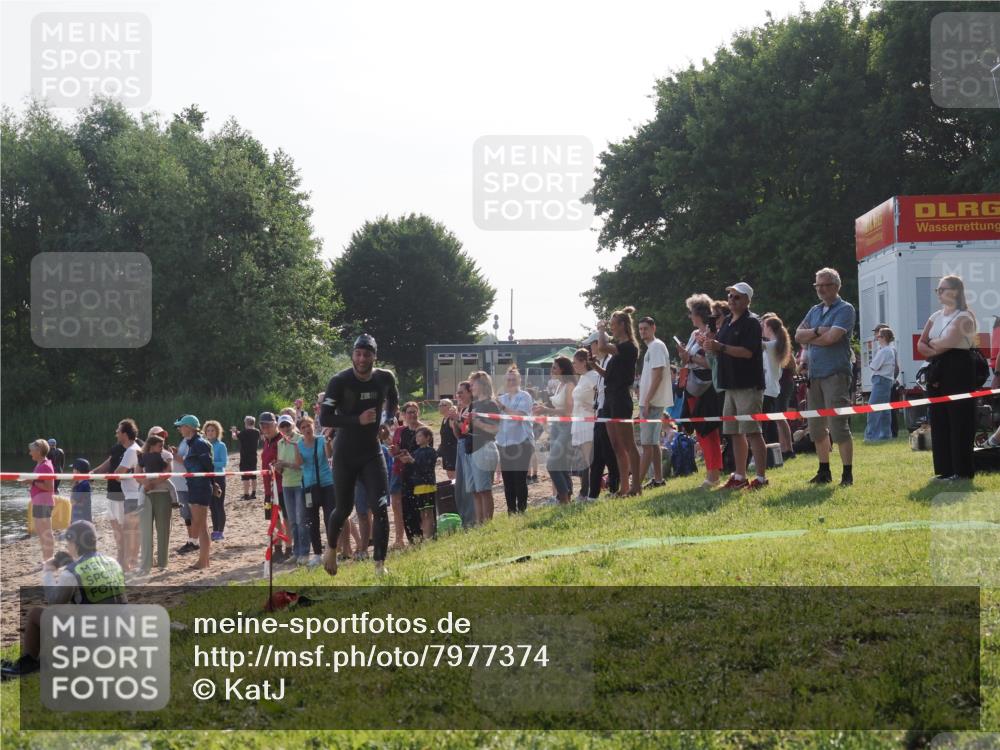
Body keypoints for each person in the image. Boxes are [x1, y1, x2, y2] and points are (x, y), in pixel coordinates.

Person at [1, 520, 125, 680]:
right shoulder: (113, 562)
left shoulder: (72, 573)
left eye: (68, 542)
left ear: (74, 543)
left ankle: (29, 662)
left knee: (35, 614)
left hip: (94, 640)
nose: (67, 546)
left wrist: (48, 571)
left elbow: (53, 600)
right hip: (119, 633)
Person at [318, 333, 398, 577]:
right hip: (345, 453)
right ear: (353, 354)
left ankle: (379, 565)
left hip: (372, 452)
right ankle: (331, 549)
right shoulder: (339, 381)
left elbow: (393, 400)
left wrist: (388, 421)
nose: (362, 359)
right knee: (343, 509)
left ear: (374, 356)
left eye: (367, 354)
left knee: (381, 507)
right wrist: (356, 419)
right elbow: (325, 418)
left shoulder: (385, 378)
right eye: (358, 354)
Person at [701, 282, 769, 491]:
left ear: (747, 300)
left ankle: (760, 478)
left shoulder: (752, 322)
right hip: (729, 385)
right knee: (734, 432)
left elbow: (748, 352)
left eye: (737, 297)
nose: (732, 300)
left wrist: (720, 346)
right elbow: (719, 349)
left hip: (748, 385)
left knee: (752, 432)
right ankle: (740, 476)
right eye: (730, 296)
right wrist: (710, 344)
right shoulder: (728, 321)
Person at [795, 267, 857, 487]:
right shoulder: (814, 310)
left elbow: (832, 338)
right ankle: (824, 471)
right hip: (815, 375)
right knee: (816, 427)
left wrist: (813, 336)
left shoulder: (846, 309)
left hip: (835, 375)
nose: (820, 289)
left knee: (839, 426)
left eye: (825, 285)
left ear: (836, 286)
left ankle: (847, 474)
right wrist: (819, 332)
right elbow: (797, 334)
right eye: (817, 285)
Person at [917, 274, 979, 480]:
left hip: (958, 368)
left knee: (959, 419)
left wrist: (934, 344)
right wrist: (936, 345)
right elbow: (921, 344)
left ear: (955, 292)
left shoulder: (964, 316)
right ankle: (945, 470)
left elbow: (948, 341)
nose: (939, 293)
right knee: (940, 418)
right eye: (938, 289)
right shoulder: (935, 316)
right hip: (938, 367)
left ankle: (962, 471)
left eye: (942, 289)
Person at [592, 307, 642, 496]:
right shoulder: (617, 352)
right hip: (610, 399)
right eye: (609, 325)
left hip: (621, 399)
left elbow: (603, 347)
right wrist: (595, 366)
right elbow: (608, 376)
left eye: (613, 325)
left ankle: (636, 486)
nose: (611, 328)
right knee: (616, 445)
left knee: (628, 444)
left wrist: (601, 329)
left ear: (622, 325)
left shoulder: (628, 347)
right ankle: (624, 487)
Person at [678, 294, 725, 489]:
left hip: (706, 388)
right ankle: (710, 472)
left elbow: (711, 363)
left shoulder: (712, 334)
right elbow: (687, 360)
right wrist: (684, 356)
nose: (689, 316)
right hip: (691, 387)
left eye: (691, 313)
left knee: (708, 431)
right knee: (700, 432)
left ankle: (713, 475)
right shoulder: (693, 334)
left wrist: (691, 358)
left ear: (699, 313)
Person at [636, 316, 673, 489]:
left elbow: (657, 375)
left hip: (652, 402)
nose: (642, 331)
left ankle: (635, 486)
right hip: (651, 402)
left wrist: (647, 400)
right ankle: (658, 479)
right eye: (640, 329)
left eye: (645, 328)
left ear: (653, 328)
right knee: (653, 443)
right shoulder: (652, 347)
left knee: (647, 445)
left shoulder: (657, 346)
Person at [533, 358, 576, 504]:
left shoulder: (569, 385)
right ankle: (566, 495)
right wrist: (541, 407)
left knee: (552, 463)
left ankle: (563, 496)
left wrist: (546, 409)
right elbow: (555, 405)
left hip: (567, 427)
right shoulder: (559, 385)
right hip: (557, 426)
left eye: (554, 368)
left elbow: (569, 411)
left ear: (563, 370)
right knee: (560, 463)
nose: (552, 371)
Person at [174, 415, 214, 569]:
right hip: (194, 486)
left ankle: (203, 561)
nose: (179, 429)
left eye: (181, 426)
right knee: (200, 524)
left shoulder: (199, 443)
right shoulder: (192, 443)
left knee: (202, 525)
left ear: (189, 427)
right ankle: (204, 560)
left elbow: (209, 466)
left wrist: (213, 484)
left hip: (200, 486)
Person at [296, 415, 335, 567]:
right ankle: (317, 554)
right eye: (303, 427)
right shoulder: (298, 444)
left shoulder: (321, 440)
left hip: (326, 483)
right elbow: (299, 464)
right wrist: (295, 450)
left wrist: (327, 443)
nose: (306, 429)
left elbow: (329, 455)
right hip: (309, 486)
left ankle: (331, 552)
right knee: (312, 522)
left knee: (329, 519)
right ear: (300, 430)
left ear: (313, 425)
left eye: (308, 425)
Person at [585, 334, 620, 499]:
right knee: (598, 456)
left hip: (607, 412)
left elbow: (610, 378)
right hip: (600, 412)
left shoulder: (610, 360)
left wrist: (595, 367)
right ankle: (593, 494)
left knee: (608, 454)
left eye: (591, 345)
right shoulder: (602, 362)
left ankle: (614, 489)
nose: (589, 350)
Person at [496, 366, 535, 514]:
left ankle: (522, 510)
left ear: (519, 380)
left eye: (514, 379)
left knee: (519, 480)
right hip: (504, 444)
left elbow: (519, 416)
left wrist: (503, 408)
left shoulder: (524, 396)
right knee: (508, 481)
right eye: (508, 379)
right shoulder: (502, 398)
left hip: (522, 442)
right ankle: (511, 511)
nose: (511, 382)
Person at [466, 371, 501, 521]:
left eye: (472, 384)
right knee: (475, 490)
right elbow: (468, 428)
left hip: (484, 447)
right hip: (471, 448)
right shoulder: (473, 404)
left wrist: (477, 423)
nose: (470, 387)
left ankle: (487, 523)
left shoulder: (491, 404)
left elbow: (495, 429)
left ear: (482, 384)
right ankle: (479, 523)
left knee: (484, 489)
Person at [274, 414, 308, 564]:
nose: (285, 428)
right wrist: (278, 467)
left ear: (292, 424)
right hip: (286, 484)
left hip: (300, 483)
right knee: (293, 520)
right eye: (282, 426)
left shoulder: (299, 440)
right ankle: (297, 552)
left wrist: (285, 465)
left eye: (287, 424)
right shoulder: (280, 443)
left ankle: (304, 553)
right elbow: (283, 467)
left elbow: (301, 464)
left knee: (302, 520)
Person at [138, 432, 174, 573]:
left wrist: (153, 483)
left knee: (163, 529)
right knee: (146, 530)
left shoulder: (166, 455)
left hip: (163, 494)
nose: (162, 444)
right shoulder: (141, 456)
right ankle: (146, 564)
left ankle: (162, 564)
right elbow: (137, 472)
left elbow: (168, 472)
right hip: (146, 494)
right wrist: (145, 483)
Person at [761, 314, 795, 457]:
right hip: (774, 386)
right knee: (779, 419)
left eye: (763, 326)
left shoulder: (773, 344)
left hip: (772, 387)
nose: (762, 329)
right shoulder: (776, 343)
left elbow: (756, 345)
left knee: (777, 419)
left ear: (768, 327)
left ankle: (786, 449)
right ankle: (786, 449)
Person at [259, 411, 289, 562]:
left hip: (282, 485)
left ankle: (289, 548)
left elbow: (284, 463)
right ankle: (278, 548)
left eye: (269, 425)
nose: (266, 428)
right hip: (269, 488)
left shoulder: (282, 440)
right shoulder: (266, 441)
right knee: (273, 519)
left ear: (275, 424)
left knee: (287, 518)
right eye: (263, 426)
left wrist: (277, 465)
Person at [399, 426, 438, 541]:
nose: (417, 438)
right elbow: (414, 467)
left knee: (429, 511)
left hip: (428, 486)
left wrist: (412, 461)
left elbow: (426, 468)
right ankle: (426, 534)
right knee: (421, 512)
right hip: (418, 487)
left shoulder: (431, 451)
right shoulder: (416, 452)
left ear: (428, 438)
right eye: (416, 436)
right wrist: (406, 460)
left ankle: (431, 535)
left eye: (420, 436)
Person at [570, 350, 599, 500]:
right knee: (583, 460)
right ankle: (584, 490)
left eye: (575, 362)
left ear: (583, 362)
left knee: (588, 459)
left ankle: (586, 491)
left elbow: (600, 393)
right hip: (579, 420)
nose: (573, 365)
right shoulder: (583, 378)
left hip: (588, 422)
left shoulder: (593, 376)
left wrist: (593, 406)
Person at [448, 381, 477, 527]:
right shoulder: (461, 409)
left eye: (461, 392)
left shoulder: (471, 409)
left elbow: (466, 429)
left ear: (469, 393)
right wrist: (454, 420)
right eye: (457, 393)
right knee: (460, 484)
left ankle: (472, 519)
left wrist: (457, 420)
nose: (458, 395)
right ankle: (465, 519)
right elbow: (457, 434)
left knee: (468, 484)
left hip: (469, 447)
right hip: (461, 445)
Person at [24, 439, 55, 564]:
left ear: (38, 451)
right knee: (41, 531)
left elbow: (49, 487)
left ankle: (50, 559)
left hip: (44, 501)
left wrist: (31, 482)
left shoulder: (45, 465)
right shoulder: (40, 464)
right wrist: (30, 483)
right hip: (39, 501)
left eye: (31, 450)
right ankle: (46, 559)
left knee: (46, 532)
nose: (30, 453)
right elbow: (39, 483)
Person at [864, 326, 898, 443]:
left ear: (883, 337)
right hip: (887, 381)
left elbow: (874, 366)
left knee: (873, 408)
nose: (877, 338)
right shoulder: (890, 349)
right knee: (884, 410)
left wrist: (871, 362)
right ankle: (885, 435)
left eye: (878, 336)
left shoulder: (884, 351)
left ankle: (871, 436)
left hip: (881, 380)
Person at [202, 421, 228, 541]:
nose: (210, 432)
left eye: (212, 430)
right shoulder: (204, 445)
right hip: (208, 478)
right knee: (212, 506)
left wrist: (210, 463)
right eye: (208, 430)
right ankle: (215, 530)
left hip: (219, 476)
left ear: (217, 432)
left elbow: (224, 463)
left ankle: (220, 531)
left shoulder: (221, 445)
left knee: (219, 504)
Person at [232, 416, 261, 501]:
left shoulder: (244, 433)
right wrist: (238, 432)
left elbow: (234, 437)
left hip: (244, 457)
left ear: (246, 423)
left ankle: (246, 494)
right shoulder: (257, 432)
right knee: (253, 475)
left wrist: (234, 431)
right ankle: (254, 493)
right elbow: (247, 433)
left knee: (245, 477)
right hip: (253, 457)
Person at [438, 399, 459, 480]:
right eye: (439, 405)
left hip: (453, 451)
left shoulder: (451, 419)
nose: (440, 407)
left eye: (442, 405)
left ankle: (457, 492)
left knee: (454, 476)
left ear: (449, 407)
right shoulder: (444, 419)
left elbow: (457, 435)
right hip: (446, 451)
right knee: (450, 475)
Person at [69, 458, 92, 523]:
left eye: (73, 469)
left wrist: (73, 486)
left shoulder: (83, 485)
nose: (72, 471)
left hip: (81, 518)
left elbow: (73, 501)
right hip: (81, 517)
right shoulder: (83, 483)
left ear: (77, 471)